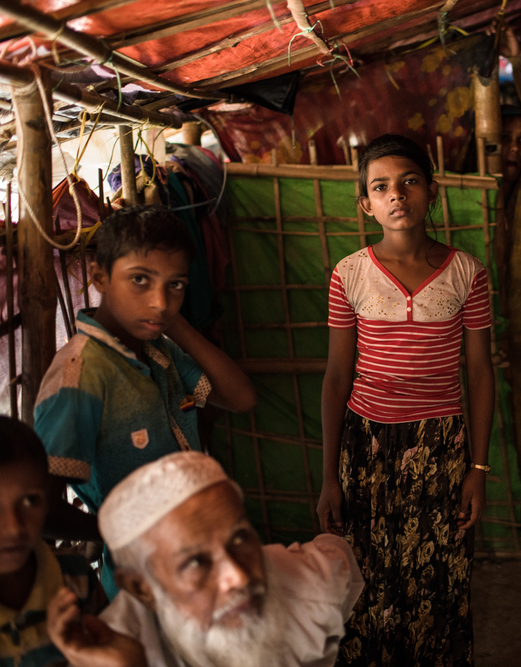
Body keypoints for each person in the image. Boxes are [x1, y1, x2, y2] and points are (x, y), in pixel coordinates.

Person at [315, 133, 494, 666]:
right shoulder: (349, 274)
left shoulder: (467, 273)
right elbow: (336, 375)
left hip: (439, 447)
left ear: (431, 192)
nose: (397, 195)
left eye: (409, 181)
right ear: (366, 205)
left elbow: (480, 372)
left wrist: (478, 467)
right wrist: (329, 476)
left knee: (437, 573)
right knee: (367, 577)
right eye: (381, 186)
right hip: (365, 446)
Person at [33, 205, 257, 598]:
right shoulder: (82, 375)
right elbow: (45, 510)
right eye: (140, 280)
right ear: (100, 277)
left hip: (203, 560)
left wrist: (175, 323)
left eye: (176, 285)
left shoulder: (157, 350)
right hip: (143, 583)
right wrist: (122, 532)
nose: (159, 300)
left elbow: (240, 398)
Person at [46, 451, 364, 667]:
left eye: (240, 539)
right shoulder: (118, 652)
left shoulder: (311, 579)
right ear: (142, 588)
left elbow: (339, 560)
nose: (237, 576)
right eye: (196, 562)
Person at [0, 417, 103, 667]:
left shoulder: (76, 578)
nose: (14, 527)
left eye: (30, 501)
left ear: (48, 501)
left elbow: (105, 651)